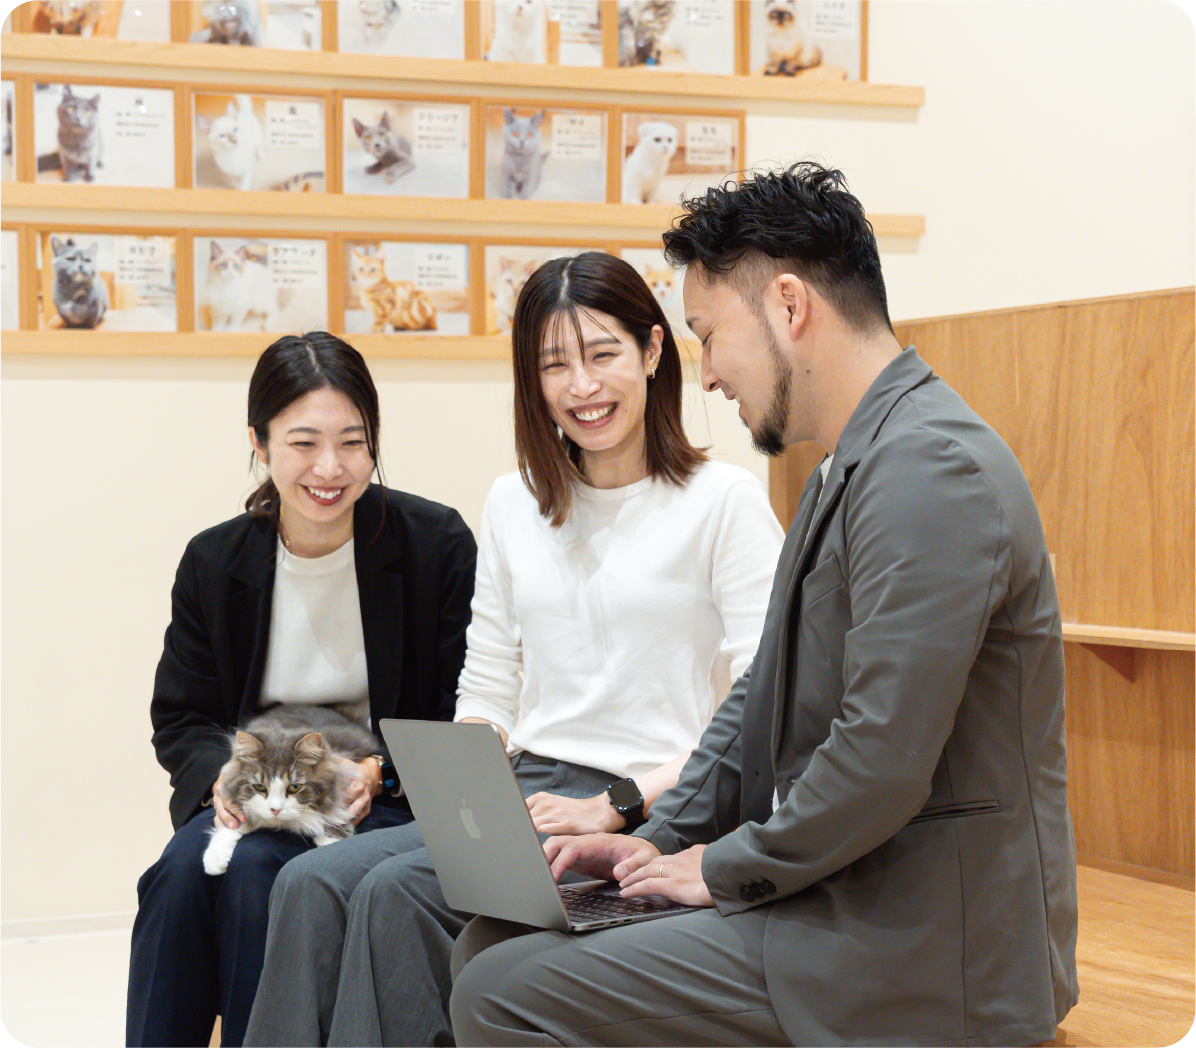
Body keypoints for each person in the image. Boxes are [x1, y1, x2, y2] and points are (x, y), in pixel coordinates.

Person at [449, 162, 1080, 1048]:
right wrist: (657, 840)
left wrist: (721, 866)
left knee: (500, 994)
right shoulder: (845, 468)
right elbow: (758, 696)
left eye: (709, 334)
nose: (707, 375)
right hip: (841, 895)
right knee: (495, 938)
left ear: (789, 308)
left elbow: (881, 758)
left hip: (919, 941)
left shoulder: (932, 469)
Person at [241, 252, 784, 1048]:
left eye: (602, 355)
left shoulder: (723, 503)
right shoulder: (514, 501)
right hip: (524, 794)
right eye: (554, 364)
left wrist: (623, 800)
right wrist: (470, 777)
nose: (582, 387)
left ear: (654, 353)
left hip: (656, 805)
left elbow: (758, 705)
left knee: (394, 894)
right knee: (309, 883)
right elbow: (489, 683)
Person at [127, 333, 477, 1048]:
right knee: (176, 877)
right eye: (303, 442)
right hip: (262, 790)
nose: (330, 468)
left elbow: (466, 707)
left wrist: (383, 773)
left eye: (353, 442)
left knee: (257, 875)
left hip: (378, 798)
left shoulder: (434, 543)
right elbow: (183, 716)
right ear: (258, 442)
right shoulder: (215, 560)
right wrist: (220, 779)